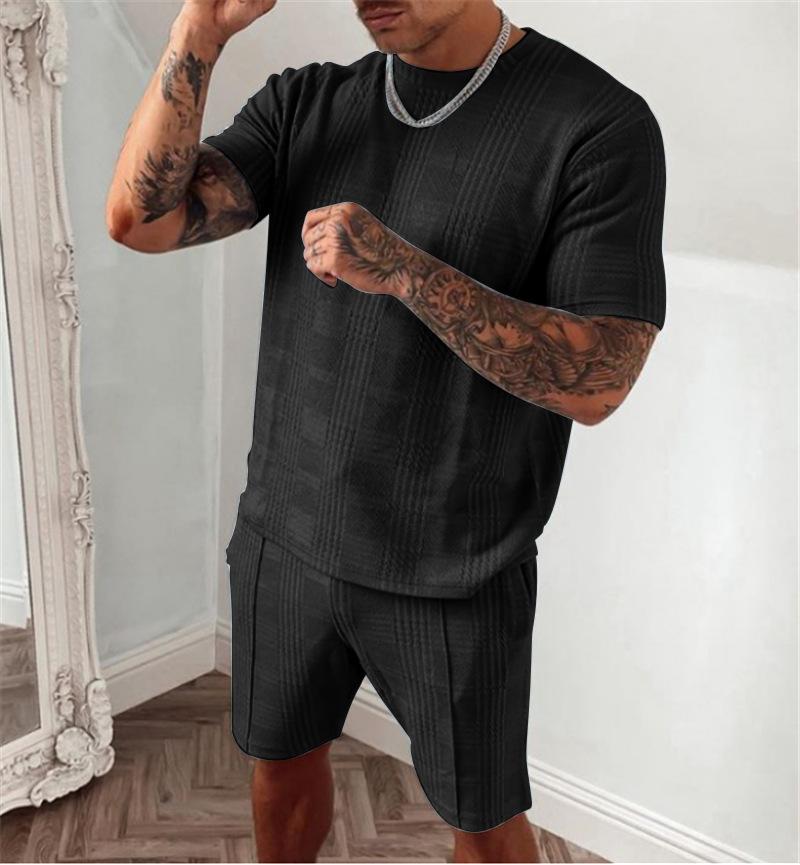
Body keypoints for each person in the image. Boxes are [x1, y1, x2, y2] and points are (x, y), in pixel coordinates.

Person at [106, 0, 666, 860]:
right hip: (286, 536)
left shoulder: (595, 123)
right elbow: (140, 220)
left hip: (455, 564)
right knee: (279, 766)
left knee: (485, 824)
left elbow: (600, 382)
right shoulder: (308, 101)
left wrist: (404, 270)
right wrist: (198, 34)